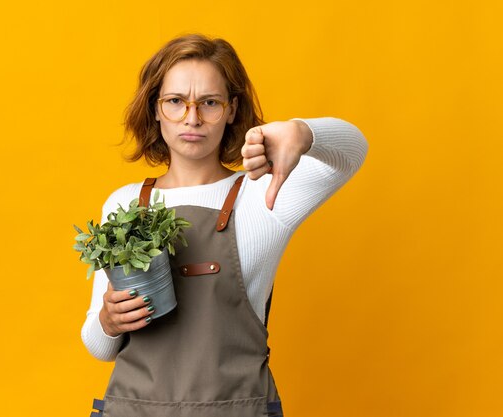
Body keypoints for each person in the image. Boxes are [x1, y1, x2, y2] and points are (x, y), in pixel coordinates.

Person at [81, 33, 368, 417]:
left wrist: (300, 131)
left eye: (210, 103)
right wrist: (108, 320)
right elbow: (100, 348)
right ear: (155, 108)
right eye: (176, 102)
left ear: (232, 110)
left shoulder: (265, 195)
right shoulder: (125, 203)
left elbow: (353, 151)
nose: (192, 118)